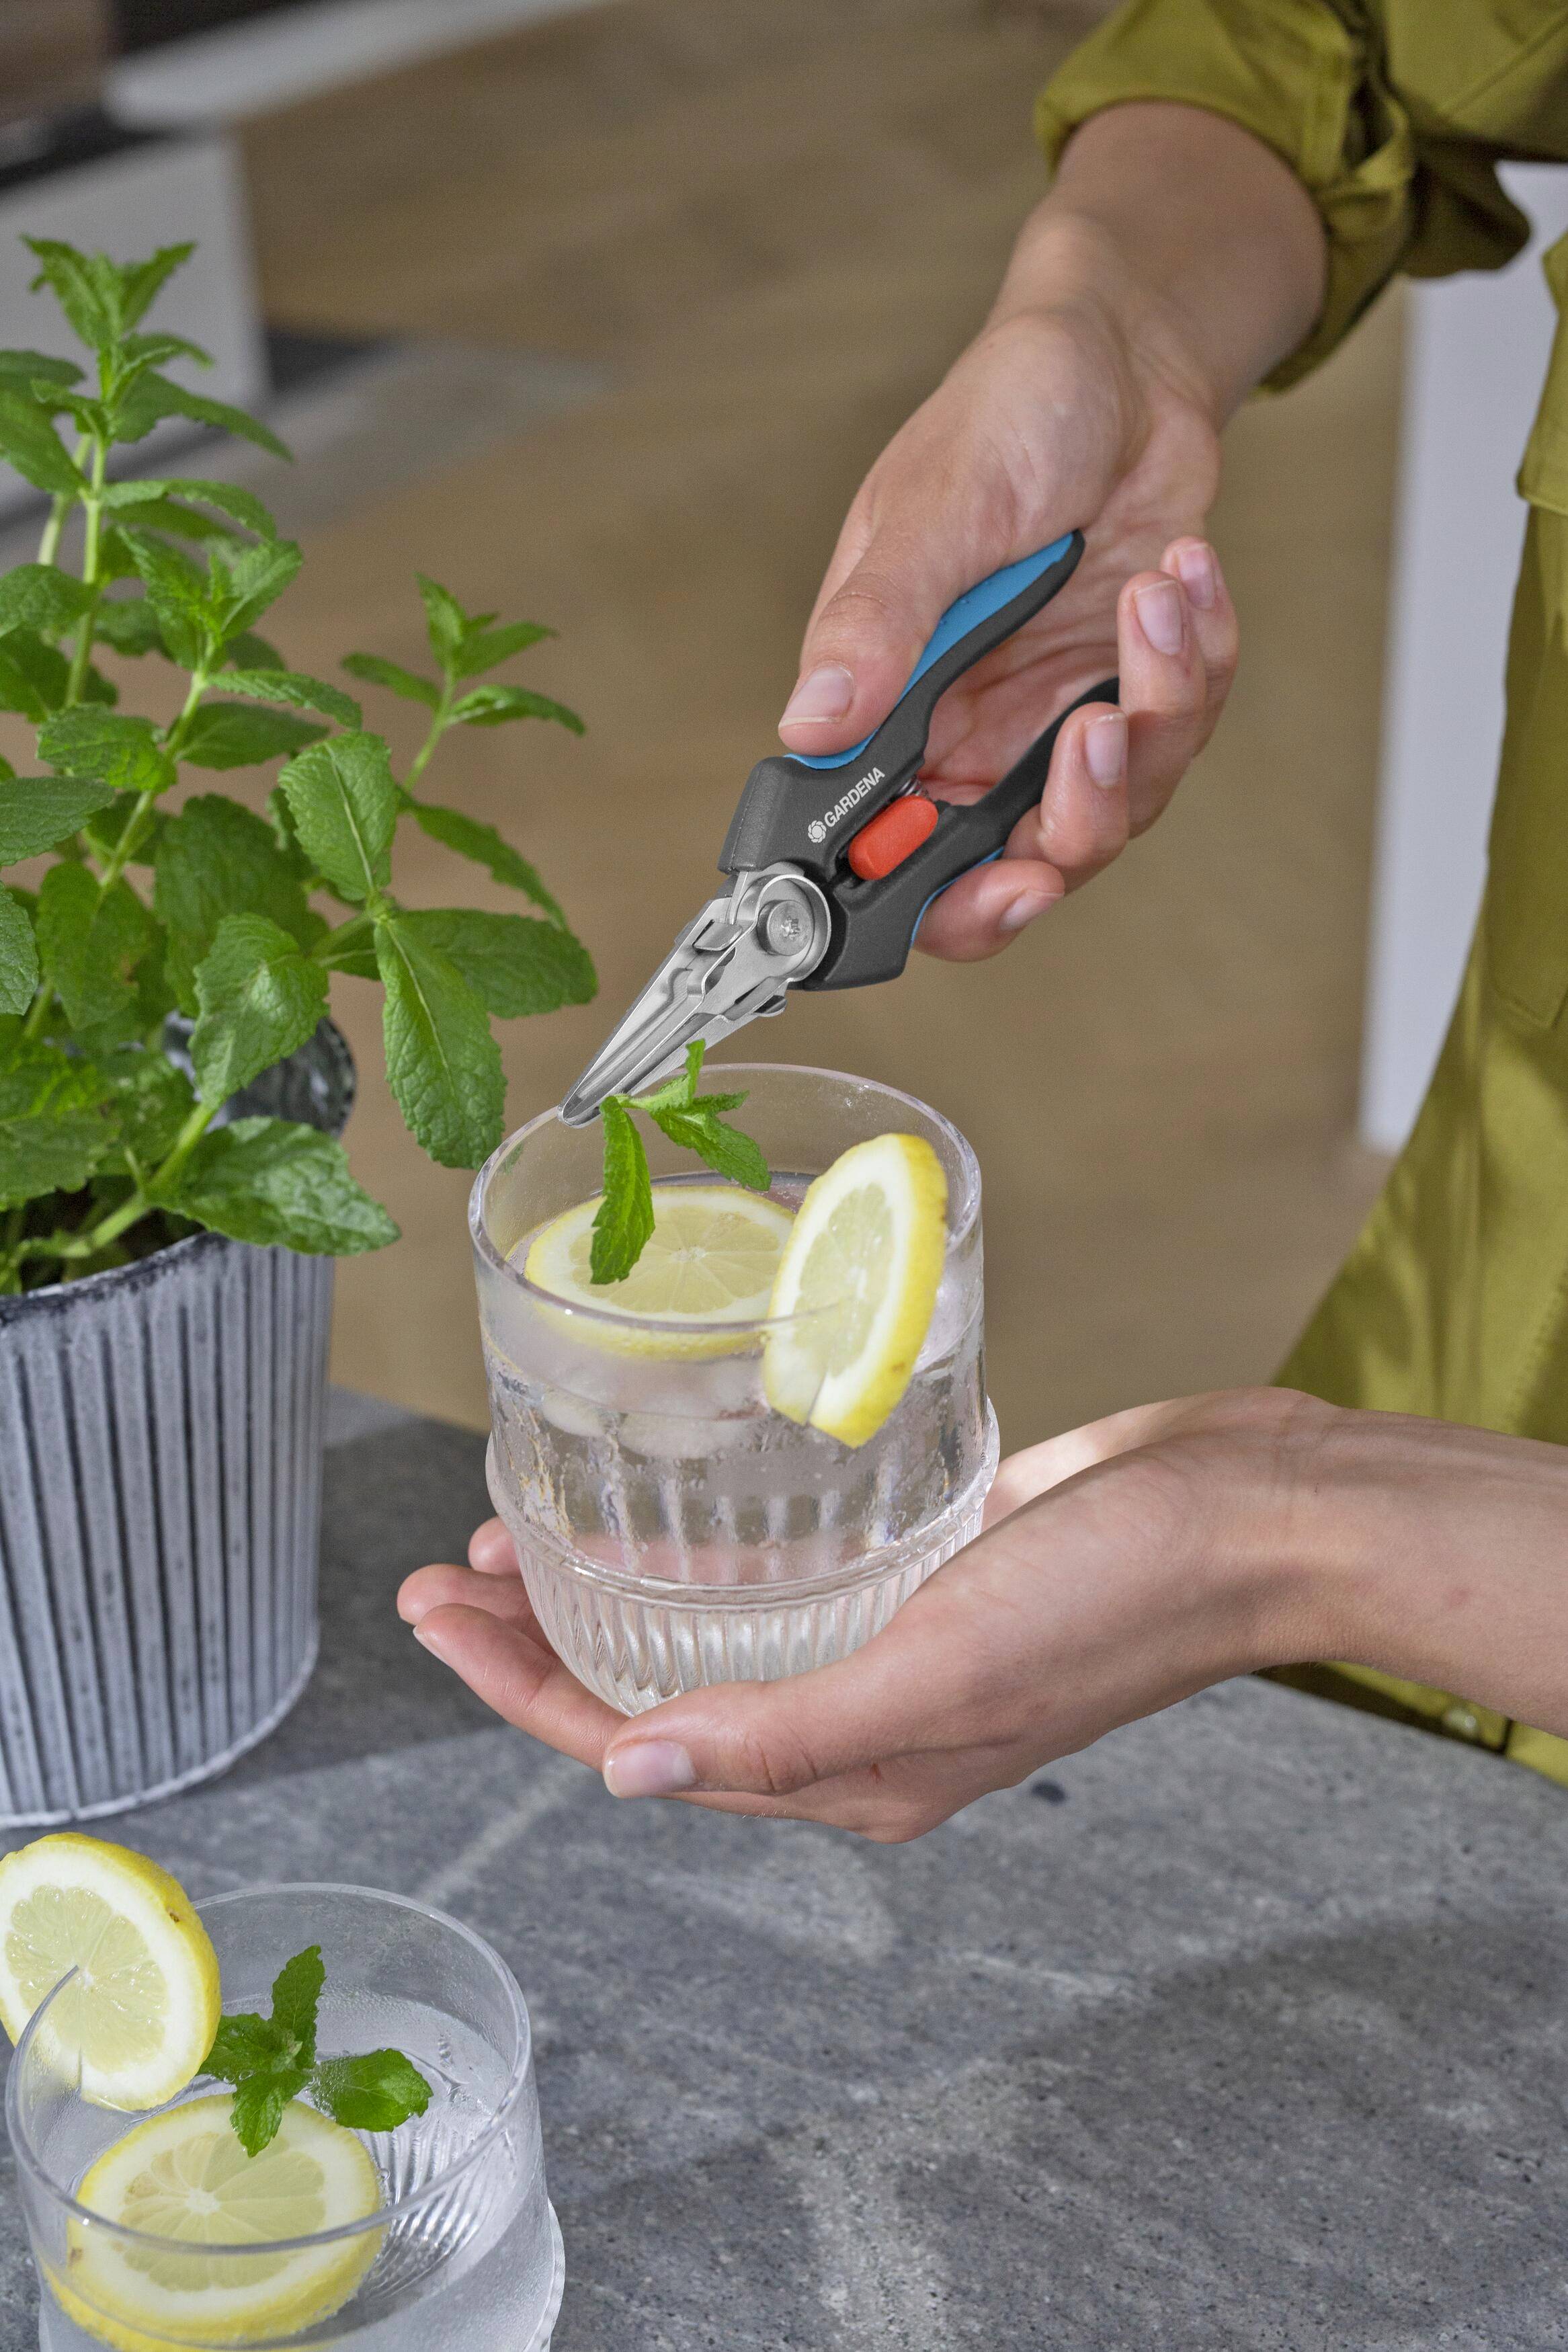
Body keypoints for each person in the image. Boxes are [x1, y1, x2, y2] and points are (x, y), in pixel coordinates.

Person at [399, 3, 1568, 1832]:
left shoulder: (1314, 1529)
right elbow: (1357, 33)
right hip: (1497, 1274)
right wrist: (1111, 316)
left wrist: (1304, 1535)